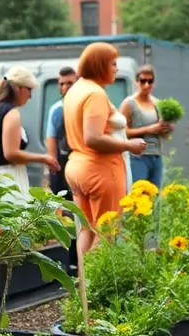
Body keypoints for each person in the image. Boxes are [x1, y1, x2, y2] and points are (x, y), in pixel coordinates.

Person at [63, 42, 147, 254]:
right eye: (113, 64)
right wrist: (129, 145)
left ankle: (83, 284)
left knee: (86, 230)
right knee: (106, 232)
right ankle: (96, 284)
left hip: (77, 167)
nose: (116, 69)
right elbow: (93, 137)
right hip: (100, 169)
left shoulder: (76, 90)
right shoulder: (95, 94)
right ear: (99, 65)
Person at [0, 65, 58, 196]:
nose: (30, 96)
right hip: (8, 177)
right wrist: (44, 158)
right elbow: (11, 154)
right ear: (18, 88)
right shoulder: (11, 113)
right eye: (29, 89)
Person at [120, 64, 173, 189]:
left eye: (150, 81)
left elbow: (163, 134)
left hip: (156, 155)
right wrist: (149, 129)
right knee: (138, 195)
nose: (147, 85)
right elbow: (122, 132)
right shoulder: (129, 103)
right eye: (143, 81)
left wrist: (166, 129)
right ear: (137, 82)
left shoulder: (157, 103)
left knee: (154, 197)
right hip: (137, 157)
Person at [45, 66, 78, 197]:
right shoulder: (56, 109)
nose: (65, 87)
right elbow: (51, 138)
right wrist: (53, 165)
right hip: (63, 161)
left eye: (69, 83)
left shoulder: (86, 106)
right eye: (62, 84)